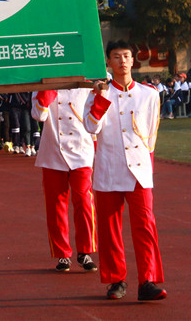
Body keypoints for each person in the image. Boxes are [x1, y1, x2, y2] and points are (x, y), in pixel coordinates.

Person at [83, 40, 166, 302]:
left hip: (140, 171)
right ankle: (116, 280)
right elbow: (91, 128)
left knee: (145, 226)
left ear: (133, 60)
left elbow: (151, 134)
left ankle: (147, 281)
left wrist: (147, 166)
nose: (122, 61)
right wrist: (101, 97)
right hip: (109, 168)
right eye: (116, 57)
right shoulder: (97, 94)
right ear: (108, 62)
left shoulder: (149, 94)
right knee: (109, 229)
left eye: (126, 56)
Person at [32, 86, 97, 273]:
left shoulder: (85, 84)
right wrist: (47, 89)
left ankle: (85, 251)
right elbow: (39, 115)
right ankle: (62, 253)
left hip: (81, 150)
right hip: (52, 150)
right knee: (55, 205)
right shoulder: (42, 83)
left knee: (84, 201)